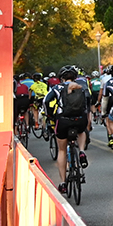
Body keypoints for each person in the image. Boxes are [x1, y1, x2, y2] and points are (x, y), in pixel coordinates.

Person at [45, 65, 94, 194]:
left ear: (61, 78)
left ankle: (63, 183)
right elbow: (88, 102)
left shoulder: (57, 88)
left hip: (63, 120)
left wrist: (50, 115)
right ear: (75, 77)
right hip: (80, 119)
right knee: (82, 131)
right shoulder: (81, 87)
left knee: (61, 150)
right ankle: (82, 151)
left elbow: (46, 101)